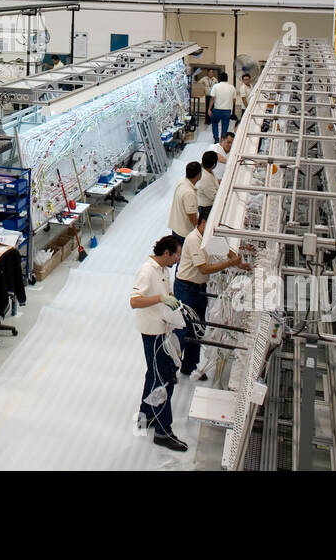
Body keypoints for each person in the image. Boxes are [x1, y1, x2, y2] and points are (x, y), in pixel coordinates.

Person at [130, 235, 187, 452]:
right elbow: (134, 301)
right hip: (152, 332)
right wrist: (160, 299)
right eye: (177, 255)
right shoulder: (147, 271)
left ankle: (145, 417)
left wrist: (172, 301)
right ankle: (163, 432)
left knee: (153, 375)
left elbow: (167, 292)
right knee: (164, 379)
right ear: (166, 253)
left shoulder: (164, 269)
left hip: (164, 328)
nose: (177, 259)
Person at [174, 212, 243, 377]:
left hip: (199, 287)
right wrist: (229, 263)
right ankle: (171, 369)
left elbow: (227, 251)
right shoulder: (193, 240)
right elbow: (203, 268)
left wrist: (240, 262)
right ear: (203, 222)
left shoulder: (208, 237)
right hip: (186, 287)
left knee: (198, 327)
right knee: (183, 328)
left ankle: (189, 365)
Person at [168, 161, 200, 242]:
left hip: (176, 228)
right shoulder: (189, 193)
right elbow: (192, 216)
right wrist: (200, 230)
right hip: (184, 233)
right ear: (199, 175)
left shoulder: (181, 182)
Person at [209, 71, 236, 141]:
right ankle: (223, 139)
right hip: (227, 110)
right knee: (225, 126)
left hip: (217, 109)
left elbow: (212, 98)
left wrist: (209, 109)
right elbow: (234, 100)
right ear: (227, 79)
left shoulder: (216, 86)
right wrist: (231, 108)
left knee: (214, 123)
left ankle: (216, 137)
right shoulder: (232, 87)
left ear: (220, 78)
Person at [195, 151, 219, 221]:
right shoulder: (205, 178)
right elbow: (213, 196)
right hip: (206, 208)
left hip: (208, 204)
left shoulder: (206, 170)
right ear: (214, 165)